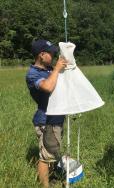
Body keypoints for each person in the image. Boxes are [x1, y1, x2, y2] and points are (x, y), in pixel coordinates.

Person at [26, 39, 67, 187]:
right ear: (42, 55)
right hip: (46, 120)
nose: (53, 56)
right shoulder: (33, 74)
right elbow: (48, 87)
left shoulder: (49, 70)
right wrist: (56, 69)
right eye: (51, 53)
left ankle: (53, 178)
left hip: (56, 119)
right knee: (46, 156)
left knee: (53, 152)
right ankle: (45, 185)